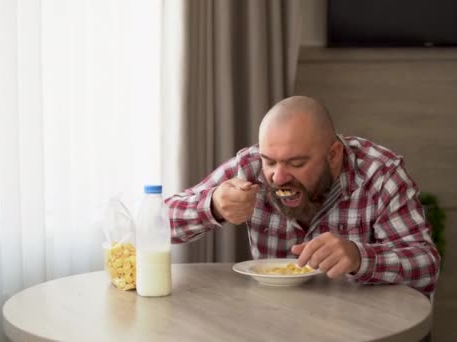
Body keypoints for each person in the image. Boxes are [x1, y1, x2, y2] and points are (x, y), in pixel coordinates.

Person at [165, 96, 440, 295]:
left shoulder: (380, 174)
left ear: (333, 155)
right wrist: (212, 206)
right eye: (269, 161)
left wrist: (359, 256)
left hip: (366, 328)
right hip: (276, 325)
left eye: (296, 164)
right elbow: (158, 223)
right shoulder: (248, 167)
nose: (278, 177)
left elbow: (426, 266)